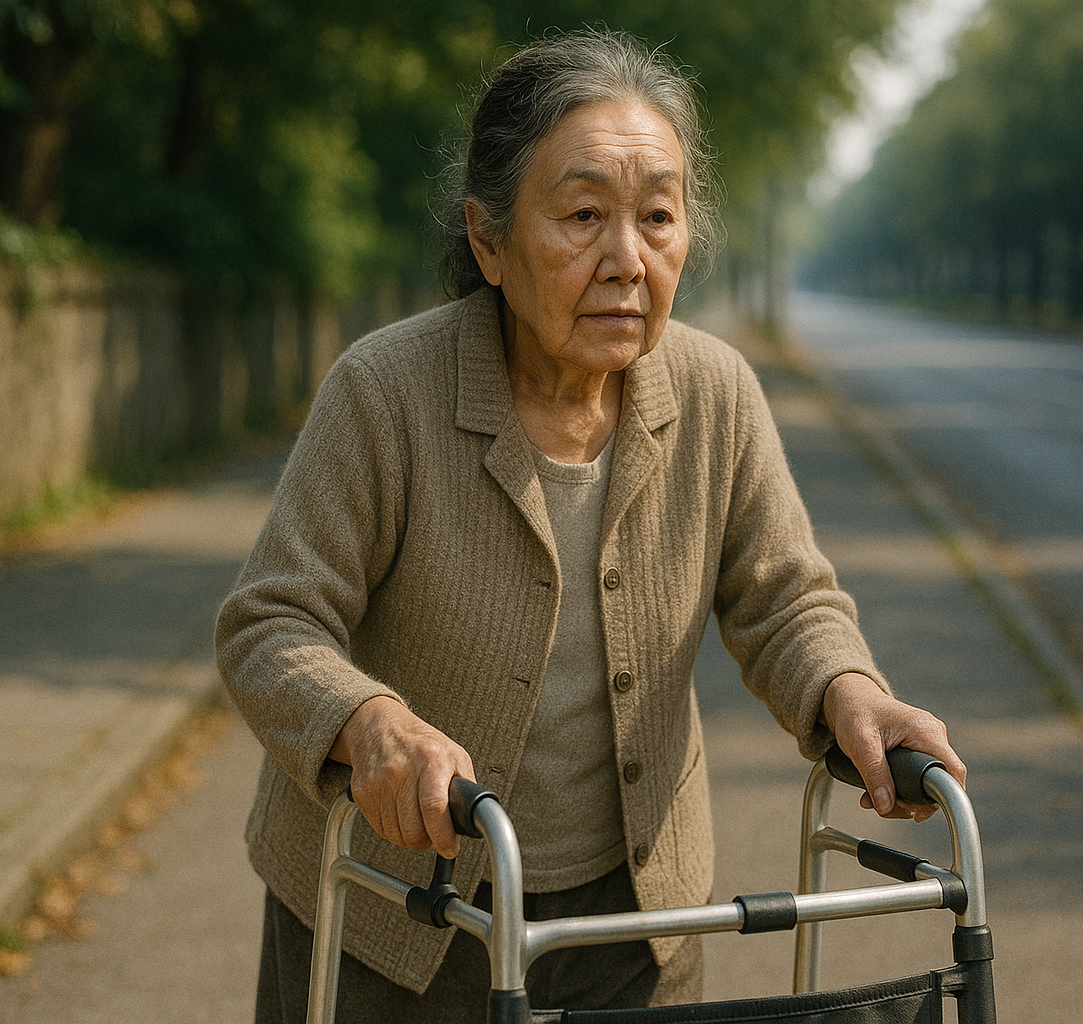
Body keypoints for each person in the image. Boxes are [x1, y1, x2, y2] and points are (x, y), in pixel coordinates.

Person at [215, 27, 967, 1024]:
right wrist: (369, 723)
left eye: (657, 216)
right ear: (488, 241)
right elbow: (270, 622)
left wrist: (851, 691)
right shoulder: (385, 392)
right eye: (582, 216)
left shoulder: (715, 393)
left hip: (632, 926)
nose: (627, 260)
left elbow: (785, 600)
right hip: (395, 914)